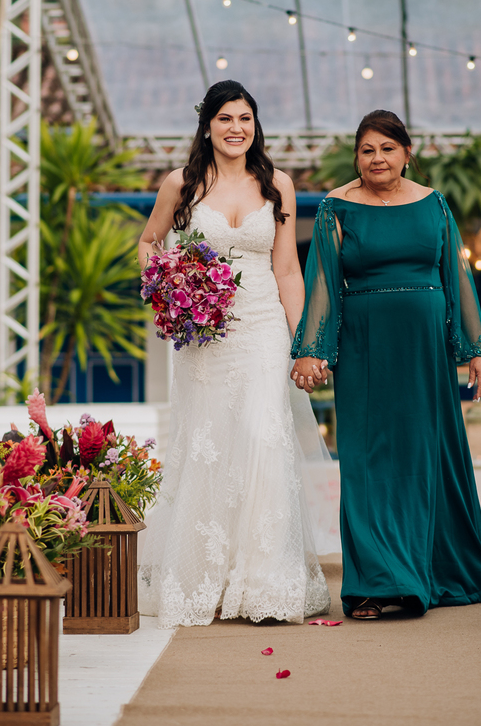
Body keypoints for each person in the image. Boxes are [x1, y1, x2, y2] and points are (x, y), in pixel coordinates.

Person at [291, 110, 481, 620]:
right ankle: (373, 583)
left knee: (424, 452)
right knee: (367, 459)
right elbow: (322, 280)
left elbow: (456, 276)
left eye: (387, 148)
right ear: (356, 158)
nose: (377, 159)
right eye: (367, 150)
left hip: (425, 349)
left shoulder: (435, 204)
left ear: (407, 153)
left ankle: (425, 572)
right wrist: (311, 348)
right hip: (364, 347)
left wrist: (476, 349)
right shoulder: (335, 208)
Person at [135, 80, 331, 627]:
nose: (235, 128)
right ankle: (206, 578)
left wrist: (304, 343)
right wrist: (168, 287)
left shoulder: (278, 185)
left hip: (264, 327)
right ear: (207, 126)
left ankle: (265, 583)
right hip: (205, 335)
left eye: (245, 118)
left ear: (255, 125)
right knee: (211, 444)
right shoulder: (181, 184)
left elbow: (286, 269)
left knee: (263, 437)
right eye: (225, 118)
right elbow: (149, 242)